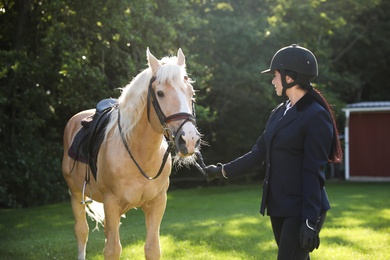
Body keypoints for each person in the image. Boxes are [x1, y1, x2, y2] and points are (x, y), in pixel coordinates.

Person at [204, 44, 342, 260]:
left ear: (289, 78)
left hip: (302, 208)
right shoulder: (278, 113)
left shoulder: (316, 116)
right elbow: (258, 153)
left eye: (275, 75)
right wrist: (221, 171)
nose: (272, 81)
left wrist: (309, 220)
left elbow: (313, 171)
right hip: (279, 205)